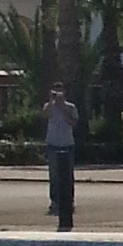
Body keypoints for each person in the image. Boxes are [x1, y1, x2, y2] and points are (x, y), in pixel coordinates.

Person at [44, 83, 78, 229]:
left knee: (68, 175)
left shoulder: (70, 107)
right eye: (55, 91)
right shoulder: (49, 106)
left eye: (60, 91)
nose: (58, 93)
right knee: (54, 175)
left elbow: (73, 122)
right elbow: (44, 116)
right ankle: (55, 201)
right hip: (53, 144)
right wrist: (51, 102)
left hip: (67, 144)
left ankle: (69, 201)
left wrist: (63, 108)